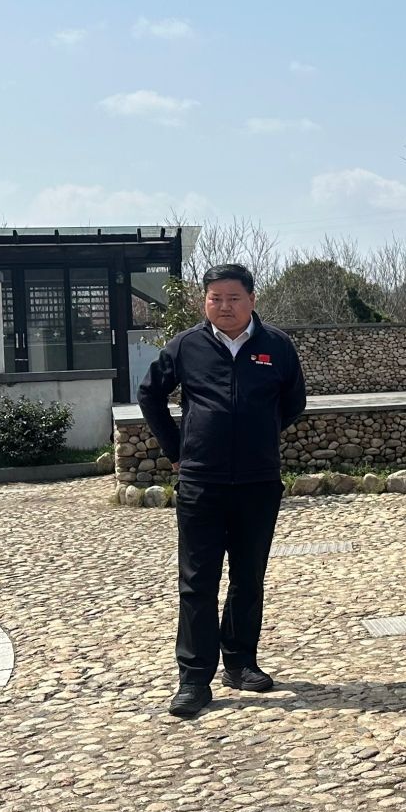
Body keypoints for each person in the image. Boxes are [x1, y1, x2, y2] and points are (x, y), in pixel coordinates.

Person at [138, 264, 308, 719]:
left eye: (233, 298)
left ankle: (240, 662)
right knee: (198, 581)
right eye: (215, 298)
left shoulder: (276, 346)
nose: (224, 306)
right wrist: (177, 448)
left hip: (258, 481)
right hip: (201, 481)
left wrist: (260, 434)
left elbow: (294, 401)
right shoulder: (186, 345)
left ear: (252, 299)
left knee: (248, 576)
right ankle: (194, 678)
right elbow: (150, 394)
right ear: (205, 301)